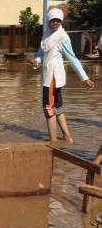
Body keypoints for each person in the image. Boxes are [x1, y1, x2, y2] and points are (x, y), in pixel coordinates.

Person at [31, 8, 94, 143]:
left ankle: (53, 141)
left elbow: (72, 58)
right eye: (52, 20)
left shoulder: (62, 37)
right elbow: (42, 55)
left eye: (57, 21)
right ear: (48, 21)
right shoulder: (46, 34)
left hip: (52, 77)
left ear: (61, 22)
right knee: (57, 106)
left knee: (48, 107)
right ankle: (67, 137)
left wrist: (85, 77)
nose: (54, 23)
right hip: (47, 75)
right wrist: (36, 61)